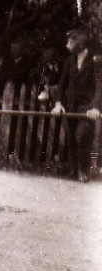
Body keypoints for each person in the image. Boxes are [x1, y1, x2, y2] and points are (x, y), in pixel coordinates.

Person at [51, 29, 101, 182]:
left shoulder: (95, 60)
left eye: (71, 42)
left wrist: (95, 107)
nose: (68, 45)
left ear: (80, 44)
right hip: (70, 105)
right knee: (71, 137)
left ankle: (83, 171)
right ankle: (74, 170)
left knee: (82, 135)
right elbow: (62, 84)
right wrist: (58, 103)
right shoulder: (69, 60)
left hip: (87, 107)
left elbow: (100, 87)